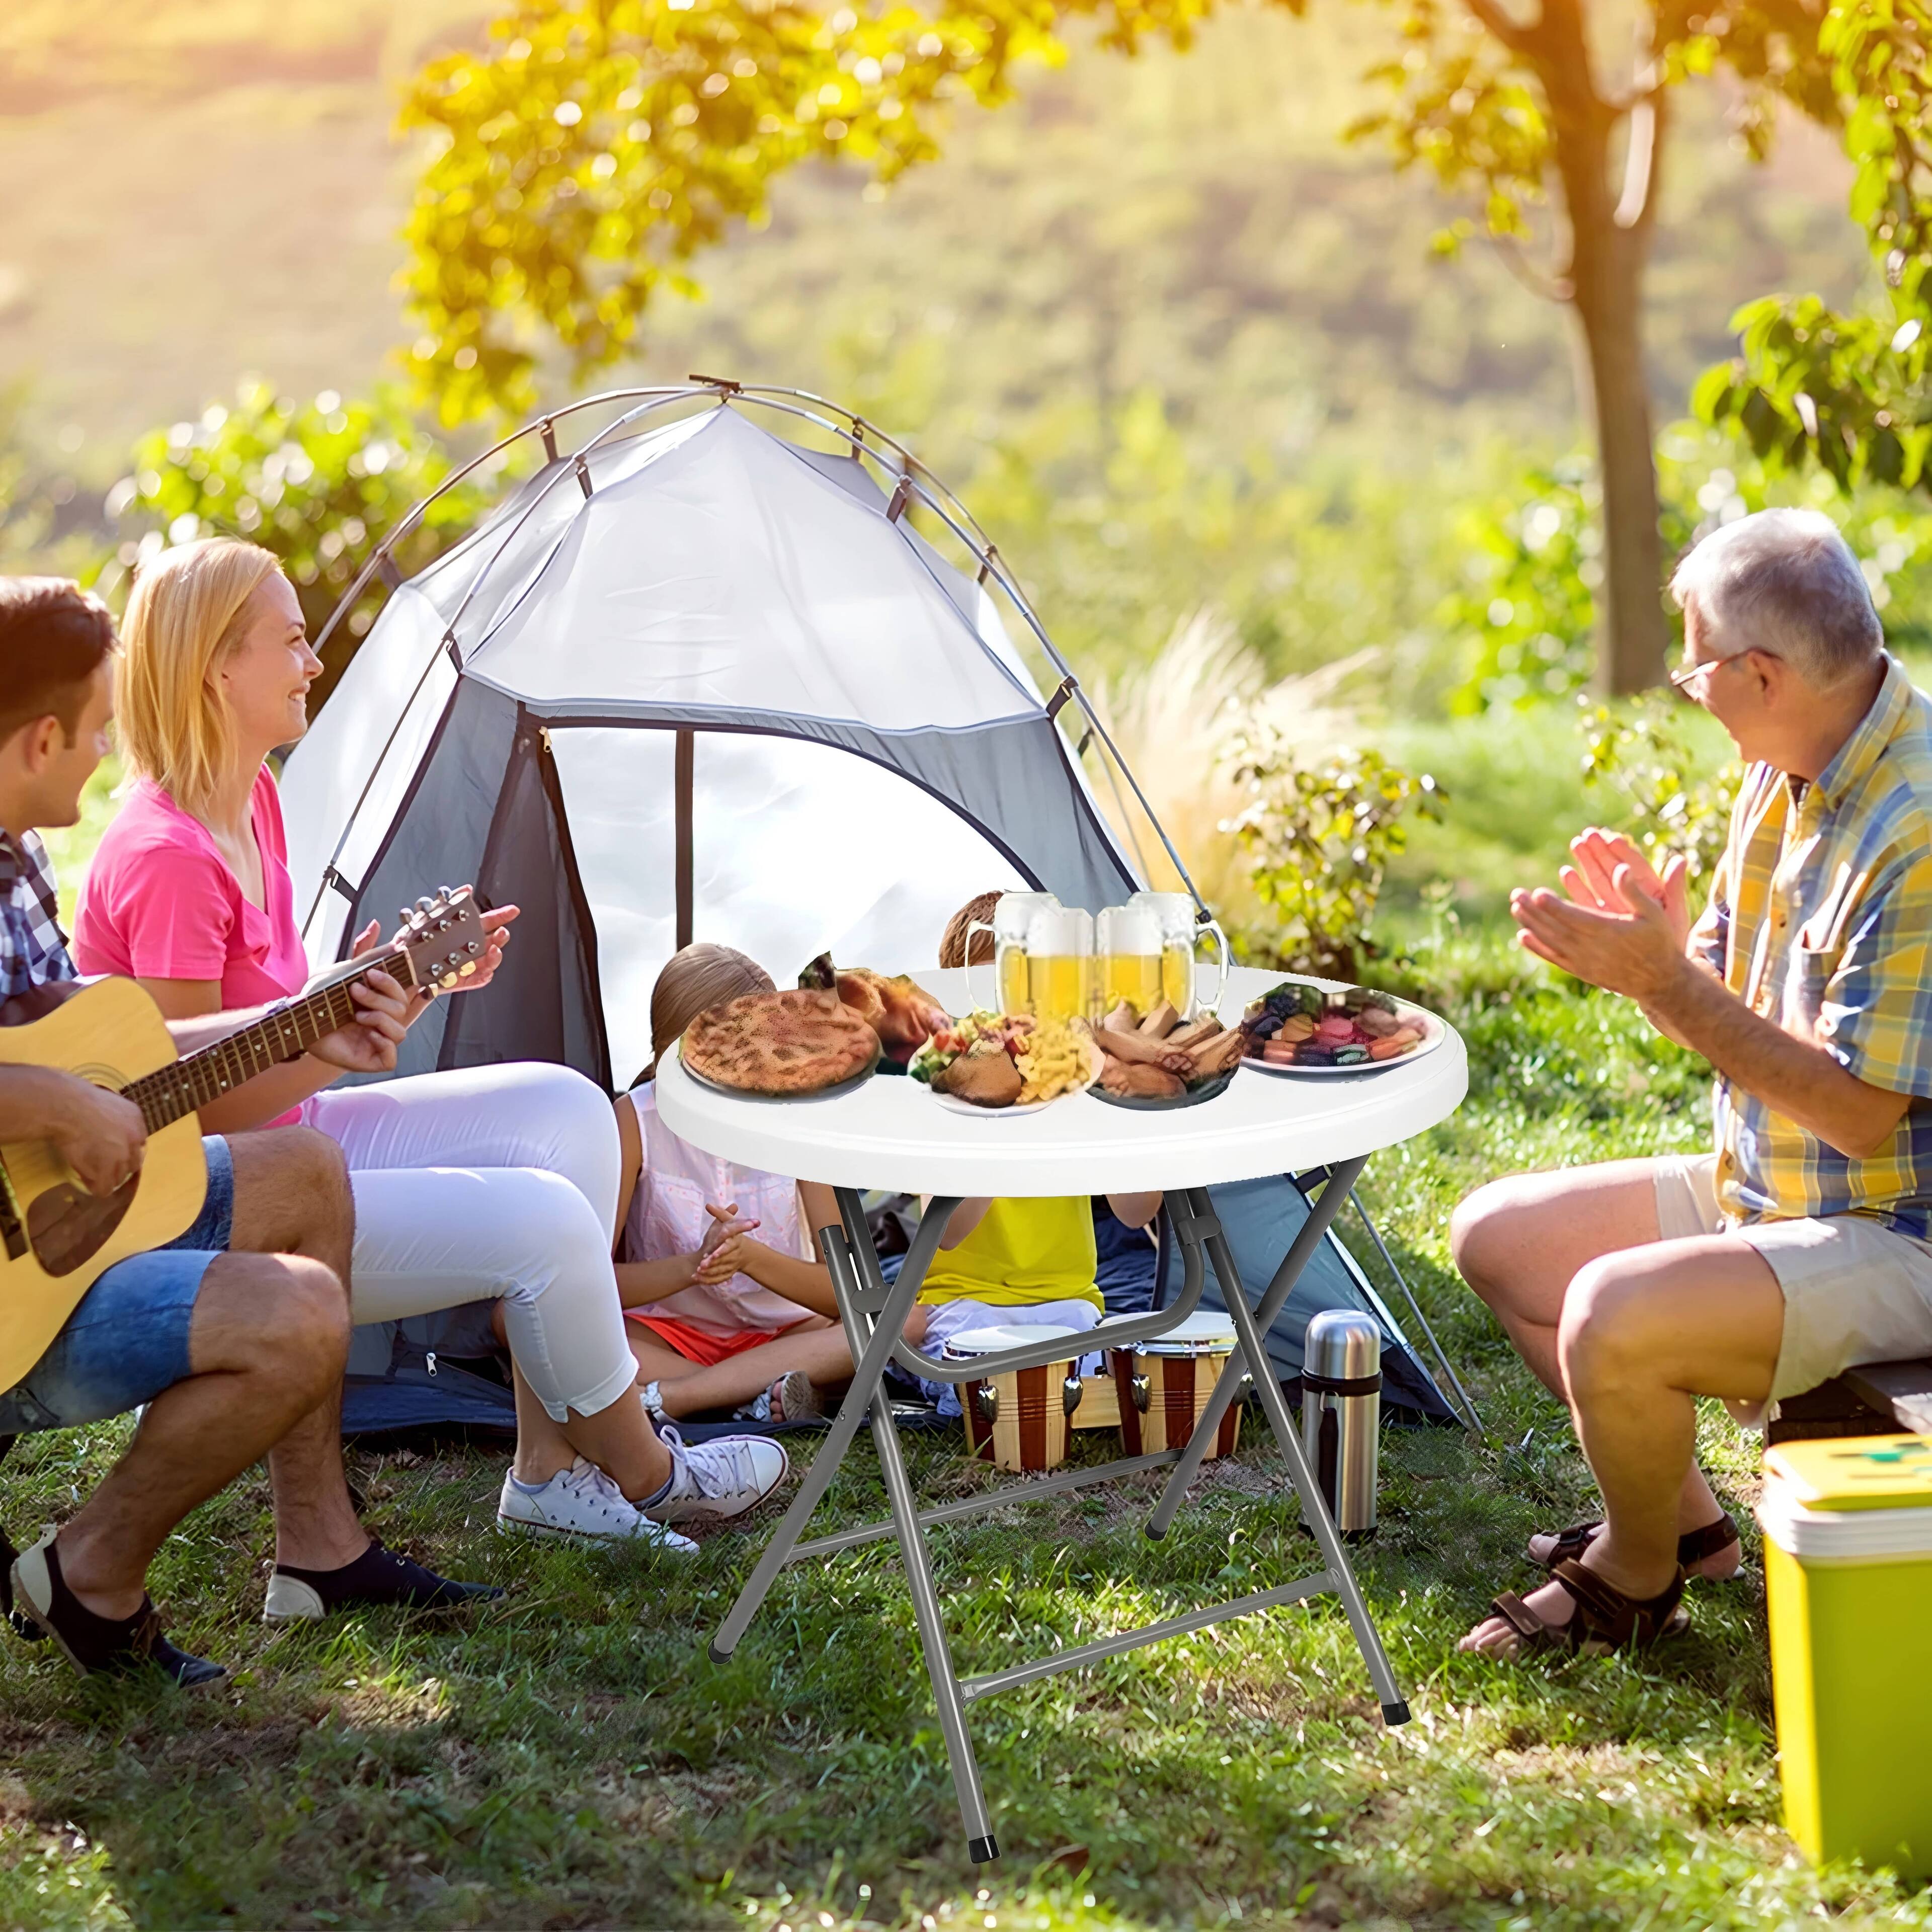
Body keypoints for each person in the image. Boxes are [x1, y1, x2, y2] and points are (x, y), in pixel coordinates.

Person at [75, 538, 787, 1548]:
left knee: (572, 1110)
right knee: (542, 1226)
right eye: (290, 642)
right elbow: (179, 1104)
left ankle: (547, 1472)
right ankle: (650, 1468)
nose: (314, 661)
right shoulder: (166, 859)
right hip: (216, 1199)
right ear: (216, 668)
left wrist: (368, 1011)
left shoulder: (255, 801)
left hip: (302, 1132)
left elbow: (269, 1043)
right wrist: (333, 1043)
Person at [1453, 508, 1932, 1659]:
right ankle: (1689, 1536)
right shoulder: (1785, 768)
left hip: (1897, 1226)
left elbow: (1859, 1112)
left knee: (1610, 1311)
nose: (1685, 688)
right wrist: (1666, 951)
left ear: (1758, 672)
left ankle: (1629, 1579)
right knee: (1497, 1238)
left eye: (1692, 664)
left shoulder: (1914, 827)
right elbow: (1729, 999)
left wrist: (1664, 984)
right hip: (1778, 1187)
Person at [0, 575, 462, 1682]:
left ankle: (320, 1548)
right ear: (41, 738)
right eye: (98, 735)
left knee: (307, 1170)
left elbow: (116, 1051)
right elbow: (63, 1086)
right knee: (300, 1313)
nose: (112, 757)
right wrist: (59, 1103)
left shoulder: (18, 863)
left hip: (64, 1220)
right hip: (18, 1298)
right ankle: (90, 1570)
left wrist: (316, 1030)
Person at [614, 943, 882, 1424]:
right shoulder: (634, 1120)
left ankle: (685, 1397)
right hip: (666, 1334)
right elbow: (592, 1284)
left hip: (783, 1335)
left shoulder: (801, 1119)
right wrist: (692, 1268)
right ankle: (752, 1395)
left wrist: (753, 1260)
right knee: (524, 1324)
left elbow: (844, 1290)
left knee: (904, 1321)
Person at [913, 895, 1161, 1396]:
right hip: (965, 1305)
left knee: (1108, 1374)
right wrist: (1005, 1112)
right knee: (995, 1378)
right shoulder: (945, 1082)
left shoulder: (1075, 1073)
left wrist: (1121, 1104)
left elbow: (1137, 1213)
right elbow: (948, 1232)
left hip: (1069, 1306)